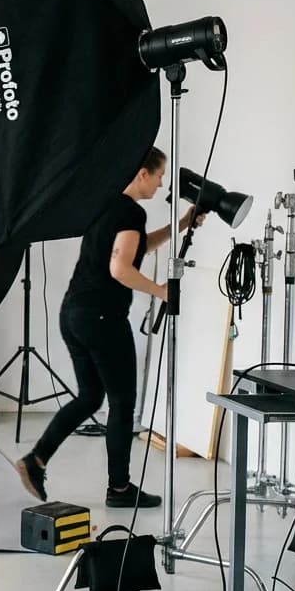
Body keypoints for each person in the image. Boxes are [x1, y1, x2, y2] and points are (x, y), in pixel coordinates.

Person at [14, 146, 201, 509]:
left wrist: (179, 225)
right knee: (121, 401)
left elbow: (134, 248)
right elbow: (121, 269)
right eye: (159, 175)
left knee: (90, 397)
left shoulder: (108, 203)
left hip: (75, 313)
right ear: (142, 173)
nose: (162, 182)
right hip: (103, 318)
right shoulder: (131, 211)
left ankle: (35, 461)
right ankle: (119, 489)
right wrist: (161, 291)